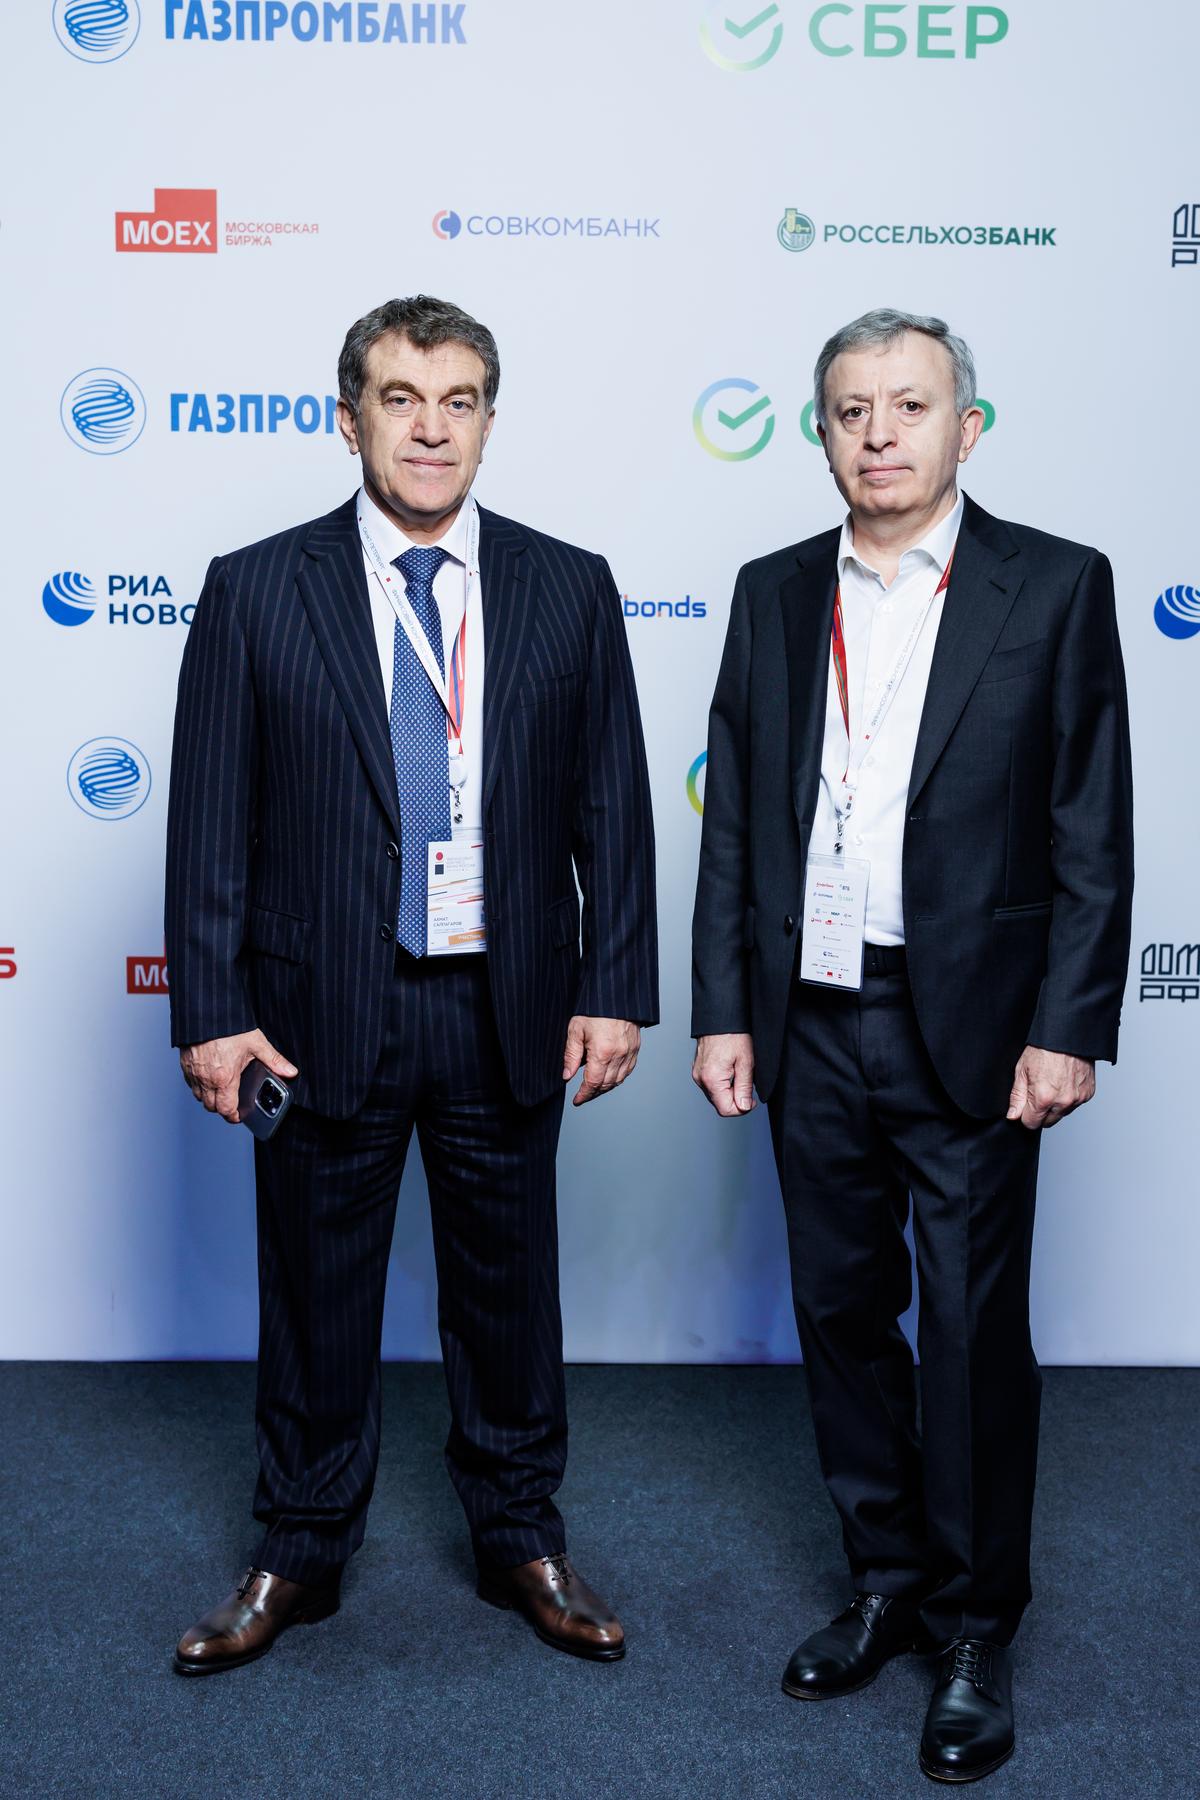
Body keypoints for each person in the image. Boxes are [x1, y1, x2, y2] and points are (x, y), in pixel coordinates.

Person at [165, 294, 657, 1675]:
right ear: (350, 419)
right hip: (320, 1008)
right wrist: (211, 1011)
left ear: (489, 421)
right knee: (316, 1294)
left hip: (506, 1000)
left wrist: (614, 983)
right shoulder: (258, 587)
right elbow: (209, 817)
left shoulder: (569, 584)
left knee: (509, 1293)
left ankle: (521, 1537)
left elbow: (612, 804)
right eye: (400, 399)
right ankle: (298, 1548)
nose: (431, 428)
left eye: (458, 401)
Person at [691, 309, 1132, 1783]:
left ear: (966, 427)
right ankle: (883, 1578)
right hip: (810, 1016)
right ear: (820, 433)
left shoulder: (1055, 586)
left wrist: (1068, 1028)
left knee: (969, 1331)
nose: (878, 434)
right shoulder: (770, 594)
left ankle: (973, 1626)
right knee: (838, 1312)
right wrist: (724, 1008)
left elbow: (1092, 829)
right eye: (850, 410)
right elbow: (737, 825)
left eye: (910, 406)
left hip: (978, 1030)